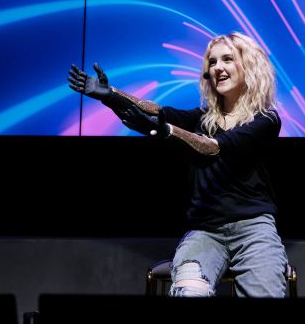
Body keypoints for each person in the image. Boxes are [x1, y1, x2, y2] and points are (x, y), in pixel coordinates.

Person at [68, 32, 288, 297]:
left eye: (227, 59)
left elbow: (212, 148)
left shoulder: (266, 119)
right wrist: (111, 95)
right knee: (189, 291)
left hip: (254, 228)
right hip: (205, 230)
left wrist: (168, 132)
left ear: (248, 66)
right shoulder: (202, 118)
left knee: (266, 296)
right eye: (212, 62)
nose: (217, 67)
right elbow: (156, 112)